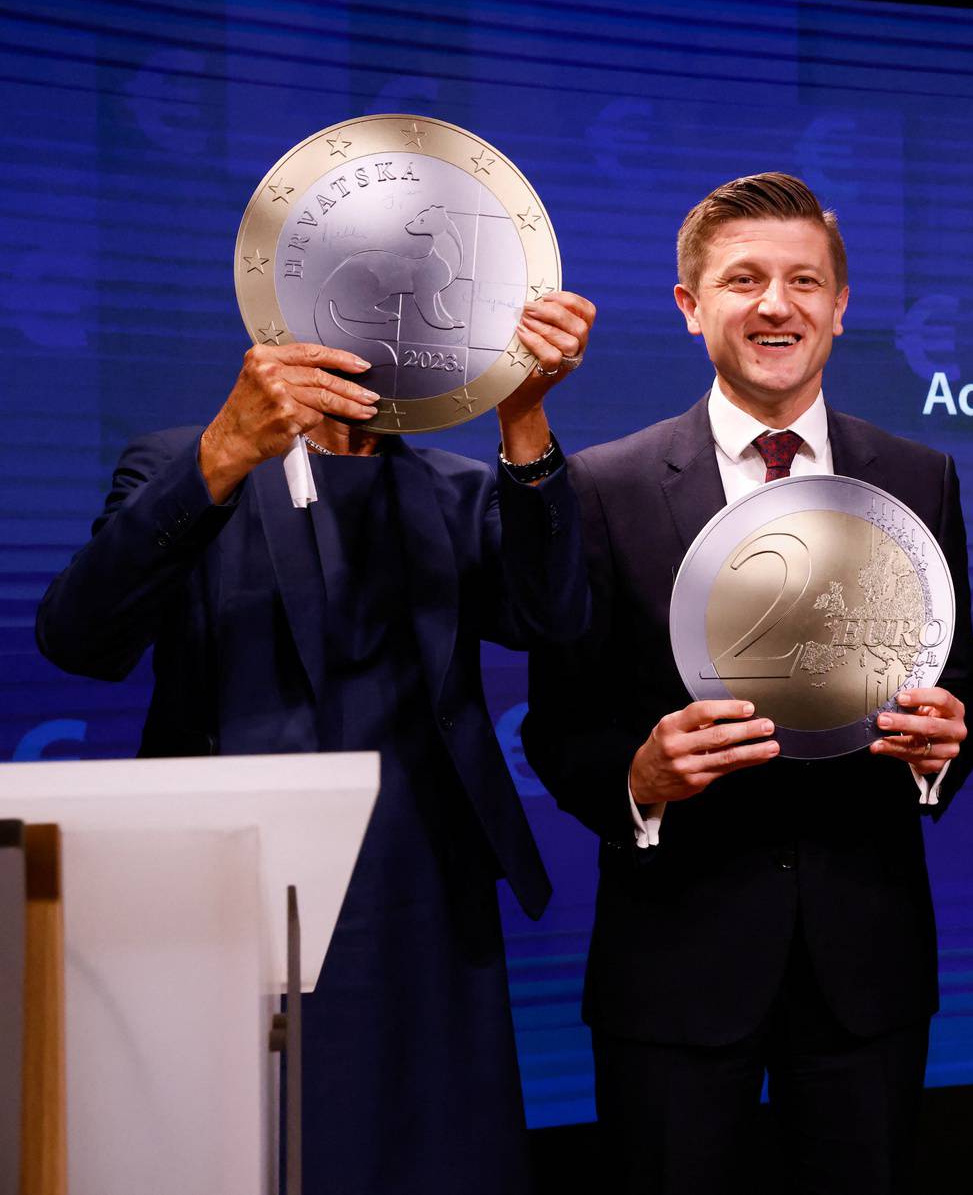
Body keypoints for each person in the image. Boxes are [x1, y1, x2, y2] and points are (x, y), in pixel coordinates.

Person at [36, 292, 596, 1192]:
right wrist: (224, 455)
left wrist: (523, 414)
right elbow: (79, 639)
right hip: (233, 902)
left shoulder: (454, 487)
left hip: (427, 899)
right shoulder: (183, 462)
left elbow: (551, 616)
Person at [522, 172, 973, 1195]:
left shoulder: (920, 478)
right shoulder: (605, 484)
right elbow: (559, 722)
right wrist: (637, 780)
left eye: (803, 281)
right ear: (691, 306)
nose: (777, 304)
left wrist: (944, 746)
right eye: (743, 279)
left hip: (866, 968)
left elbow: (958, 686)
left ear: (839, 303)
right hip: (675, 967)